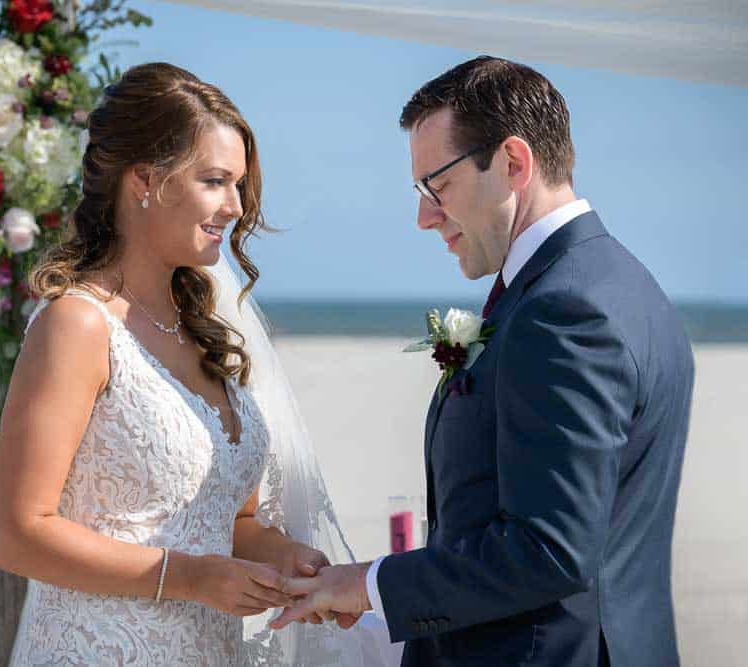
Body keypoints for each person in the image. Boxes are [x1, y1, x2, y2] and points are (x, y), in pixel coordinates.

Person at [272, 56, 694, 667]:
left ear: (513, 163)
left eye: (437, 187)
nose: (423, 217)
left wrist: (368, 584)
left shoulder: (566, 310)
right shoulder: (621, 285)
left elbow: (549, 550)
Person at [0, 62, 374, 666]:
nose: (236, 207)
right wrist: (189, 578)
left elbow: (227, 518)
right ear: (144, 180)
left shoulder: (202, 330)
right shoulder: (78, 325)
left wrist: (283, 559)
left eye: (239, 185)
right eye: (216, 181)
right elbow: (18, 534)